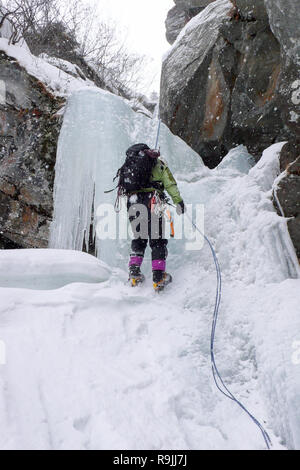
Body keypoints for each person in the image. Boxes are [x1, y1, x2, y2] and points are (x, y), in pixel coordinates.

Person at [121, 143, 185, 292]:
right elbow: (170, 184)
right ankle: (158, 277)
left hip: (133, 201)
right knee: (157, 241)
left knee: (139, 237)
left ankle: (134, 273)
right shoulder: (158, 164)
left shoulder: (130, 164)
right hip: (153, 201)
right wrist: (178, 201)